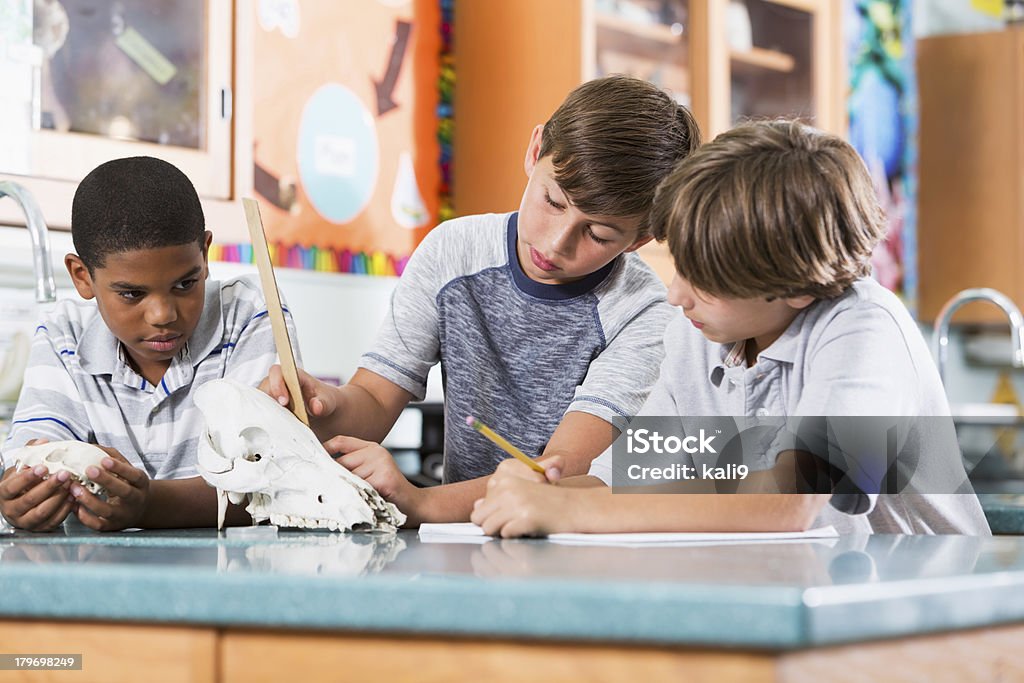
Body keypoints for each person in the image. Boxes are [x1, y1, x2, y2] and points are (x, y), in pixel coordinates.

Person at [470, 119, 990, 537]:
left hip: (923, 621)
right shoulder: (695, 334)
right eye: (680, 267)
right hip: (797, 598)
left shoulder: (864, 328)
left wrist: (569, 515)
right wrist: (546, 493)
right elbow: (628, 482)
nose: (676, 295)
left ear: (798, 288)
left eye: (708, 281)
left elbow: (792, 501)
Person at [263, 76, 702, 525]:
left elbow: (565, 471)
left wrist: (422, 503)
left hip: (568, 547)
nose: (555, 245)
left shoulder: (645, 311)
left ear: (640, 238)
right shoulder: (452, 250)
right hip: (465, 544)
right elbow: (373, 401)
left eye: (598, 234)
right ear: (535, 151)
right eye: (553, 201)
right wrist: (323, 404)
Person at [0, 156, 299, 532]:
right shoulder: (64, 335)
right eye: (131, 293)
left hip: (233, 578)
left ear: (205, 256)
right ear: (82, 277)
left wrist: (151, 506)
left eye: (185, 284)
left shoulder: (249, 313)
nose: (162, 315)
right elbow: (32, 453)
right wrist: (21, 494)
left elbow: (275, 478)